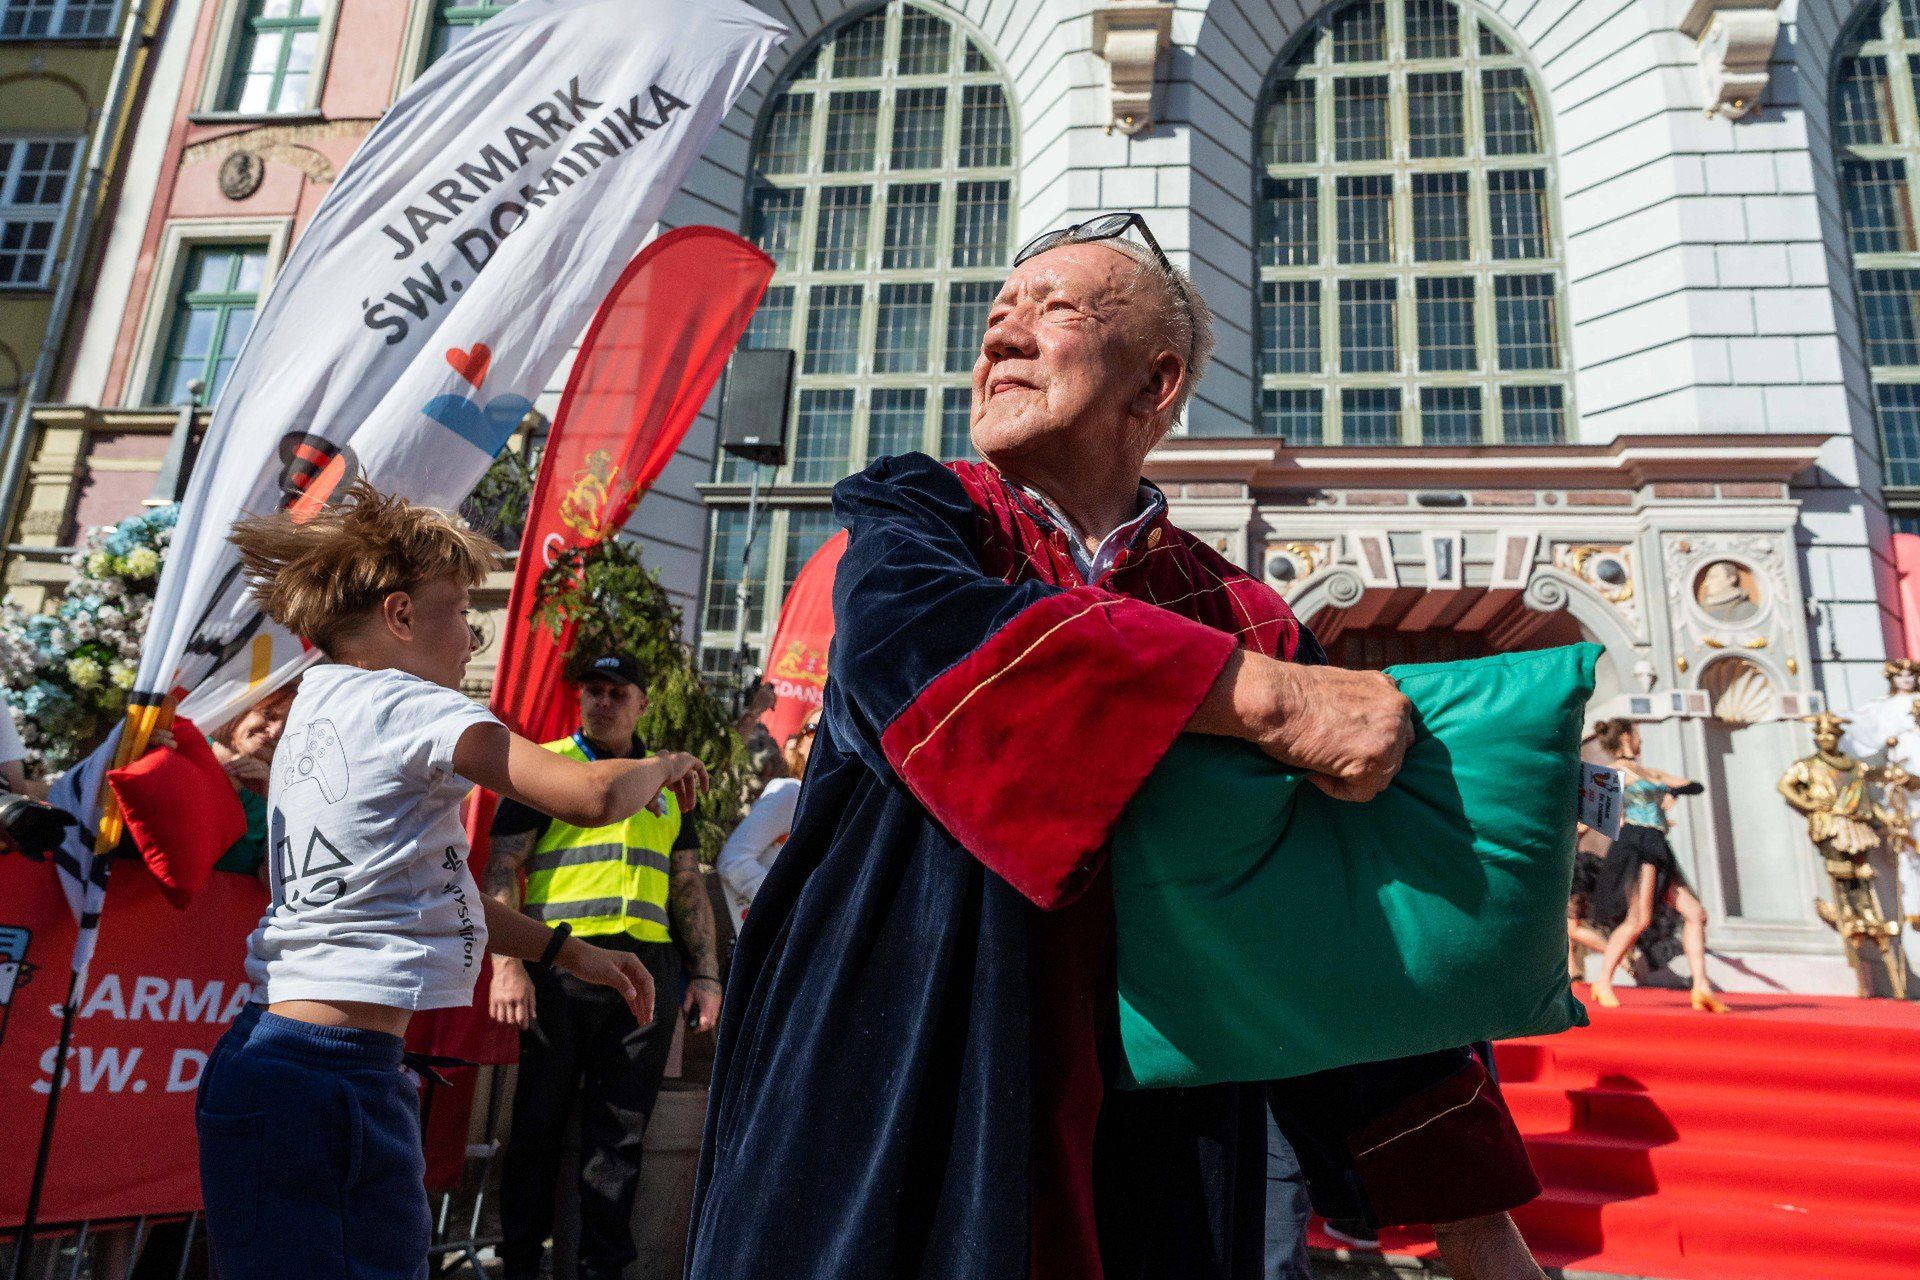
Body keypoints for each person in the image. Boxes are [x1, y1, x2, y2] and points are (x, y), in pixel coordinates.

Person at [688, 213, 1545, 1280]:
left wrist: (1469, 1214)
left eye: (1052, 310)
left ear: (1156, 383)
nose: (1001, 336)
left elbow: (1339, 930)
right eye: (997, 314)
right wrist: (1264, 699)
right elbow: (921, 657)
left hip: (1157, 1129)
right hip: (896, 1067)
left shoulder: (1240, 610)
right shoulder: (925, 518)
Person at [197, 482, 707, 1280]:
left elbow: (422, 888)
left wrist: (569, 953)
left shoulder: (319, 707)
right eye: (461, 613)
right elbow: (594, 795)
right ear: (399, 616)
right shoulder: (407, 704)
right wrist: (669, 761)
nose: (472, 640)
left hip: (294, 1063)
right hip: (328, 1078)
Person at [482, 651, 723, 1280]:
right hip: (559, 964)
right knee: (536, 1126)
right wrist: (507, 967)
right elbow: (502, 867)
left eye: (618, 691)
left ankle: (603, 1268)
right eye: (593, 690)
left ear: (643, 702)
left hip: (645, 970)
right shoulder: (546, 766)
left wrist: (705, 975)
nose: (603, 701)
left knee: (620, 1133)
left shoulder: (668, 783)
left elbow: (687, 882)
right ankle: (519, 1263)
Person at [1588, 719, 1727, 1013]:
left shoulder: (1650, 773)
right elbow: (1597, 809)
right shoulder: (1613, 771)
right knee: (1639, 919)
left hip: (1658, 844)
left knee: (1695, 913)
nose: (1641, 740)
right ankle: (1602, 981)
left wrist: (1672, 794)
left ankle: (1701, 986)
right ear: (1626, 736)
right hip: (1636, 843)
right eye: (1637, 734)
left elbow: (1694, 785)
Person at [714, 709, 816, 928]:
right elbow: (732, 860)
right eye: (812, 730)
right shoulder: (791, 793)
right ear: (798, 746)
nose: (823, 737)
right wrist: (792, 906)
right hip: (777, 934)